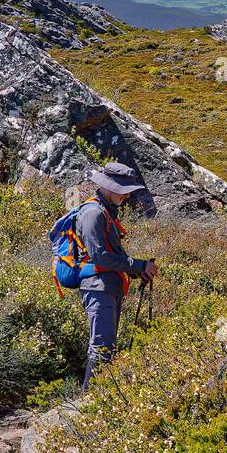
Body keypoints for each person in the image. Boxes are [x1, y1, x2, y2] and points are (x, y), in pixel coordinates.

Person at [76, 162, 157, 392]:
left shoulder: (106, 212)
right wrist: (138, 264)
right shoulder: (93, 213)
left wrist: (138, 269)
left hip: (107, 287)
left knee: (106, 346)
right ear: (110, 188)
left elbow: (111, 255)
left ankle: (98, 399)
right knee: (101, 346)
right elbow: (100, 257)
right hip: (97, 288)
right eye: (124, 190)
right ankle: (88, 402)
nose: (127, 195)